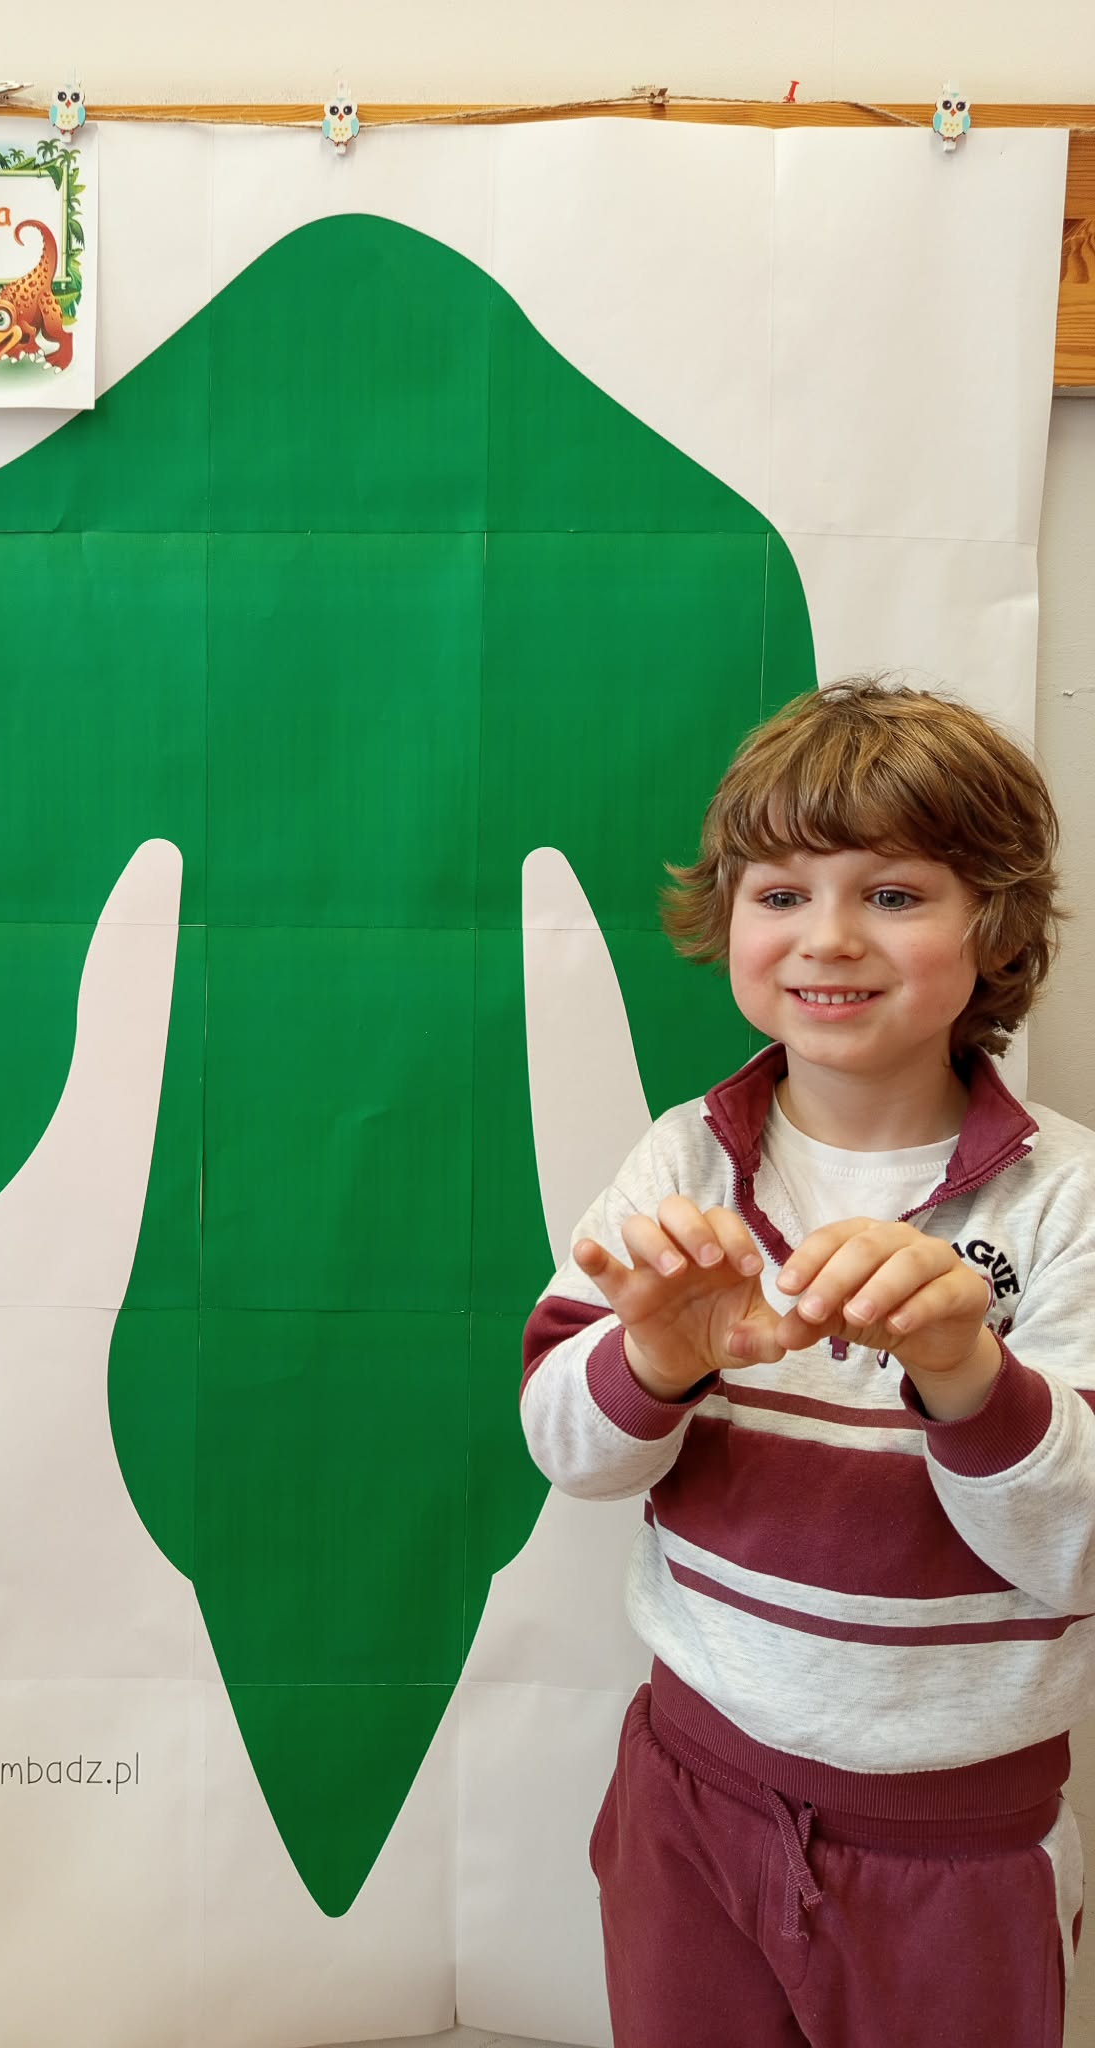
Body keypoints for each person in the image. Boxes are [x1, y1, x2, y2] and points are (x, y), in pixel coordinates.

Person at [520, 678, 1092, 2047]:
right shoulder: (683, 1157)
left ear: (994, 926)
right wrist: (654, 1358)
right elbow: (563, 1448)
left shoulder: (1065, 1199)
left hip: (957, 1845)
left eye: (893, 894)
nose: (829, 936)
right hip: (690, 1791)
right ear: (728, 917)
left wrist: (964, 1371)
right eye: (782, 893)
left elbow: (1080, 1550)